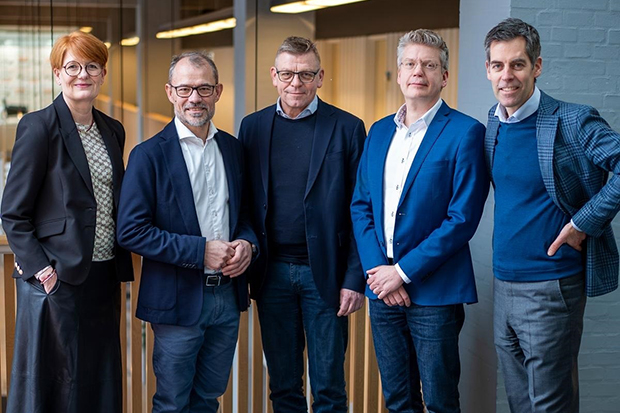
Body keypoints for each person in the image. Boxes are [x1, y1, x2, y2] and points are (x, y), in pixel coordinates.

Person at [484, 18, 620, 413]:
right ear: (488, 70)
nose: (507, 76)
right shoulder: (493, 122)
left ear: (537, 66)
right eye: (498, 65)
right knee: (519, 403)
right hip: (502, 284)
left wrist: (582, 223)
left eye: (518, 64)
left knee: (550, 405)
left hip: (550, 286)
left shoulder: (572, 120)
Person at [350, 29, 489, 413]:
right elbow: (360, 205)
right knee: (398, 400)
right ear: (398, 73)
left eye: (429, 65)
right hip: (381, 290)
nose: (418, 72)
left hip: (435, 293)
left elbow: (461, 219)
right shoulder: (379, 131)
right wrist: (379, 272)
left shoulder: (465, 132)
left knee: (441, 402)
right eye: (410, 64)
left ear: (444, 76)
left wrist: (402, 273)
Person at [0, 31, 134, 413]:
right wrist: (43, 271)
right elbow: (13, 212)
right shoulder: (38, 126)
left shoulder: (112, 130)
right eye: (72, 67)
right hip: (56, 280)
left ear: (103, 73)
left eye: (91, 66)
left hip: (103, 275)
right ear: (58, 73)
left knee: (97, 381)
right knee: (56, 387)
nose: (82, 75)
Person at [116, 51, 257, 413]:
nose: (194, 98)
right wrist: (200, 251)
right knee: (172, 404)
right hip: (176, 300)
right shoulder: (148, 155)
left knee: (208, 400)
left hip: (226, 296)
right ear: (170, 92)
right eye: (185, 89)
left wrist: (247, 243)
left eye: (204, 88)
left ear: (218, 92)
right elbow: (130, 231)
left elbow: (245, 214)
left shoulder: (233, 149)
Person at [238, 36, 366, 413]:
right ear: (274, 76)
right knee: (283, 387)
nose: (296, 83)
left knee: (329, 388)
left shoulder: (347, 127)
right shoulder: (252, 127)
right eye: (288, 74)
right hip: (271, 274)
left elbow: (361, 209)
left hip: (326, 275)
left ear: (320, 77)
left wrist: (354, 278)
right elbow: (245, 203)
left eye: (306, 74)